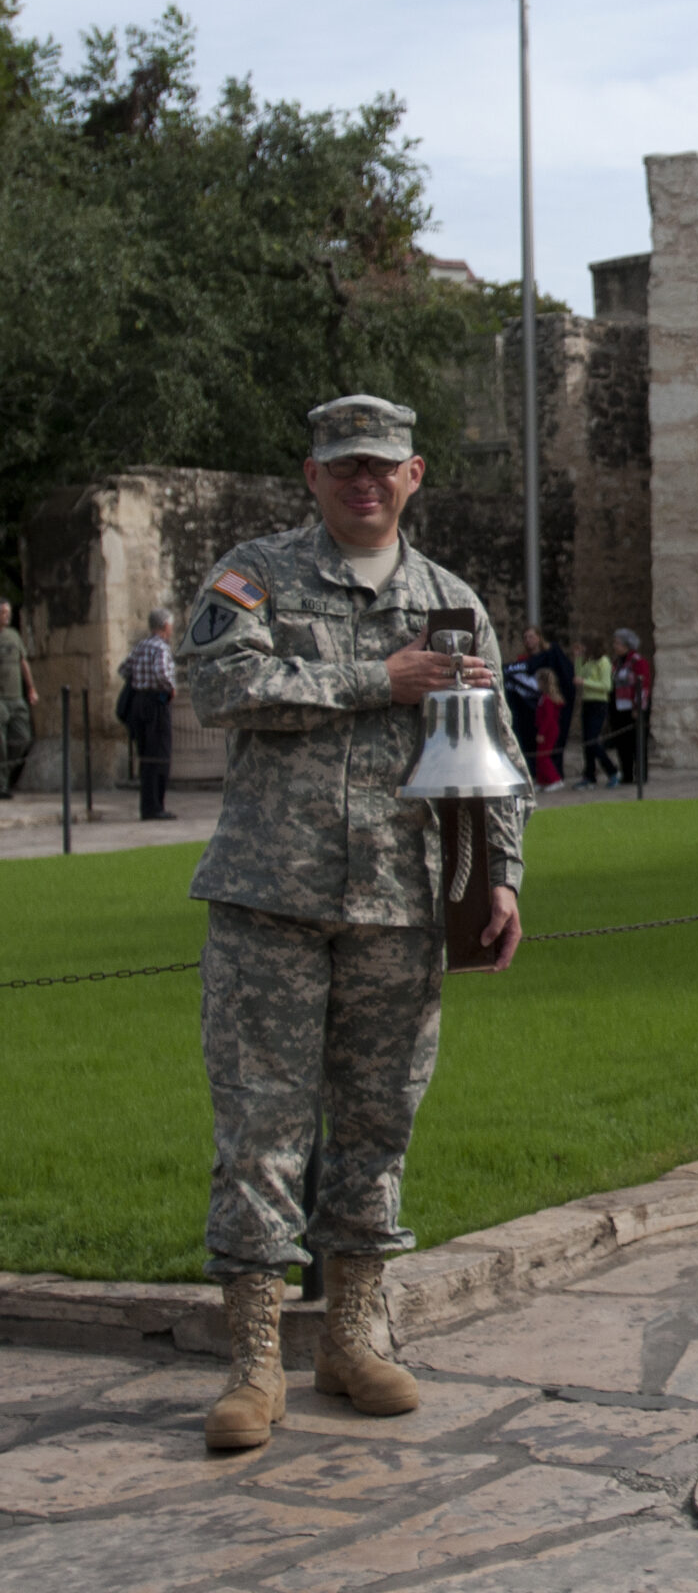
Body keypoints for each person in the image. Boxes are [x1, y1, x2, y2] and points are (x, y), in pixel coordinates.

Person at [177, 395, 526, 1452]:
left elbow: (495, 751)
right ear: (311, 474)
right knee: (261, 1131)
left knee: (377, 1127)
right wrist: (380, 678)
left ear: (414, 474)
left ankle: (355, 1338)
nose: (362, 483)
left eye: (381, 466)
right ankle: (253, 1358)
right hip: (269, 901)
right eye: (343, 467)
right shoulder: (256, 573)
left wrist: (502, 876)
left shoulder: (452, 603)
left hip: (400, 902)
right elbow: (217, 682)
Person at [120, 607, 180, 822]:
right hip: (156, 704)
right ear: (165, 626)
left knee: (146, 757)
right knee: (159, 756)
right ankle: (156, 806)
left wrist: (139, 681)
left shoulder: (140, 646)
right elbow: (161, 672)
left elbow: (124, 669)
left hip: (139, 704)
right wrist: (171, 687)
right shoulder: (160, 648)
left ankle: (148, 806)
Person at [505, 628, 575, 783]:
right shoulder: (523, 660)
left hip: (549, 716)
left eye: (531, 636)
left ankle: (555, 778)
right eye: (525, 637)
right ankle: (542, 778)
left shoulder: (551, 655)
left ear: (539, 637)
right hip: (531, 713)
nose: (528, 640)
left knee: (547, 752)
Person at [608, 628, 654, 785]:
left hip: (633, 707)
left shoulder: (638, 661)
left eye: (618, 643)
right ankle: (627, 774)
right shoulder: (617, 663)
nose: (615, 646)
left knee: (637, 743)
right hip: (619, 708)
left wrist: (638, 707)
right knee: (622, 743)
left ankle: (640, 774)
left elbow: (643, 685)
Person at [574, 637, 618, 787]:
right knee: (587, 741)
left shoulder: (604, 662)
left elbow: (606, 685)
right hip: (587, 702)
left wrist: (586, 683)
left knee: (593, 740)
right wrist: (578, 659)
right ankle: (589, 775)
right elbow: (579, 674)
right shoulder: (590, 662)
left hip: (599, 703)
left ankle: (612, 770)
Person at [0, 596, 30, 797]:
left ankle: (4, 774)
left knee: (22, 737)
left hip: (16, 695)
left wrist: (31, 688)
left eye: (9, 613)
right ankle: (2, 785)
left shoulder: (13, 635)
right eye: (3, 612)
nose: (7, 616)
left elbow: (23, 662)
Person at [532, 668, 567, 791]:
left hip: (548, 731)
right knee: (539, 757)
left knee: (543, 757)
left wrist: (542, 733)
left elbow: (548, 718)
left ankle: (555, 779)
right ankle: (542, 781)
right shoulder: (544, 697)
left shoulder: (547, 700)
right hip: (546, 730)